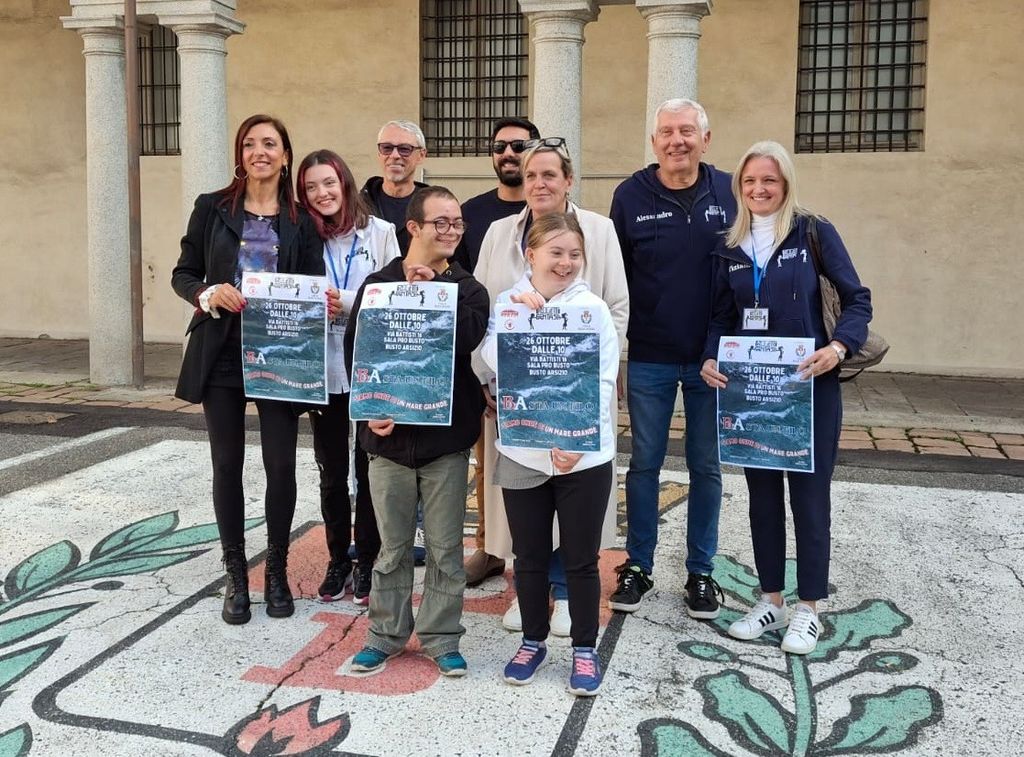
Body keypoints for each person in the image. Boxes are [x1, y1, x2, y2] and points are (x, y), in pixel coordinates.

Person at [700, 141, 871, 654]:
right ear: (739, 187)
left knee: (809, 501)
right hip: (752, 393)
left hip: (808, 389)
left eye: (769, 181)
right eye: (750, 181)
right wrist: (710, 357)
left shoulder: (812, 232)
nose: (759, 189)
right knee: (762, 499)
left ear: (786, 184)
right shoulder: (729, 245)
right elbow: (721, 316)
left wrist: (839, 347)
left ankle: (809, 608)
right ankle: (771, 600)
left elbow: (858, 299)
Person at [171, 114, 324, 625]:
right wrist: (207, 292)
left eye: (270, 143)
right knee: (227, 463)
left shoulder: (302, 221)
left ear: (285, 155)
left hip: (280, 353)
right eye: (251, 143)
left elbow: (312, 283)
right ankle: (236, 574)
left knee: (281, 465)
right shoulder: (212, 208)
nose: (260, 151)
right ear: (241, 154)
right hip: (221, 351)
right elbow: (183, 273)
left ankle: (276, 570)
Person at [474, 138, 629, 636]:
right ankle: (531, 594)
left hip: (577, 399)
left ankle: (565, 593)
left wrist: (580, 378)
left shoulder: (599, 231)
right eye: (531, 175)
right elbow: (486, 313)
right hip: (516, 401)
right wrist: (492, 375)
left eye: (550, 174)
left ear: (568, 180)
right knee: (527, 513)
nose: (539, 183)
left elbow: (617, 307)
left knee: (576, 507)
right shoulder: (499, 233)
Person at [344, 186, 489, 677]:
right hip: (387, 442)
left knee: (446, 550)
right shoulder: (378, 285)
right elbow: (356, 351)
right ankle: (384, 635)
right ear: (413, 227)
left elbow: (469, 338)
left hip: (445, 444)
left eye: (457, 224)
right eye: (440, 223)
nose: (451, 231)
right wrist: (368, 409)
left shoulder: (468, 288)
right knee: (391, 549)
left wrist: (437, 293)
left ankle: (441, 637)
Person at [481, 212, 619, 697]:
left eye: (574, 254)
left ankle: (584, 648)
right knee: (529, 557)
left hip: (583, 456)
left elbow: (603, 380)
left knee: (581, 559)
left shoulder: (593, 310)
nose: (565, 262)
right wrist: (522, 319)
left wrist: (578, 440)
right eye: (556, 252)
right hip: (523, 451)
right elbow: (493, 362)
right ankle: (532, 641)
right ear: (531, 254)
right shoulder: (508, 304)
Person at [608, 98, 736, 617]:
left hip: (713, 360)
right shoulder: (630, 195)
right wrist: (616, 355)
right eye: (667, 132)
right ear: (654, 140)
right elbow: (615, 280)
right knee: (644, 463)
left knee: (706, 466)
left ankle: (701, 572)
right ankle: (638, 566)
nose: (676, 141)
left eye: (687, 131)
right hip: (650, 356)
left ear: (706, 138)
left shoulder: (730, 190)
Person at [295, 149, 401, 605]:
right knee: (332, 472)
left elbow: (396, 294)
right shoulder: (302, 236)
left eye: (329, 183)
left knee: (369, 466)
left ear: (345, 183)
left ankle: (368, 558)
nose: (322, 193)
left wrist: (351, 301)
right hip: (322, 368)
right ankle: (339, 557)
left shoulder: (380, 232)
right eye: (311, 187)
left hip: (368, 365)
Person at [457, 116, 541, 588]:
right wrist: (481, 369)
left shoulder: (555, 215)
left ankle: (542, 555)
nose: (508, 153)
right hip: (492, 359)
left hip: (545, 363)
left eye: (519, 146)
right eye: (500, 146)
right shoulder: (475, 214)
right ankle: (488, 547)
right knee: (487, 459)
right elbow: (468, 288)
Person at [360, 120, 429, 255]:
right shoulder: (358, 207)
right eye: (387, 148)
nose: (394, 155)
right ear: (379, 153)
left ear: (421, 155)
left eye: (404, 149)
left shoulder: (432, 208)